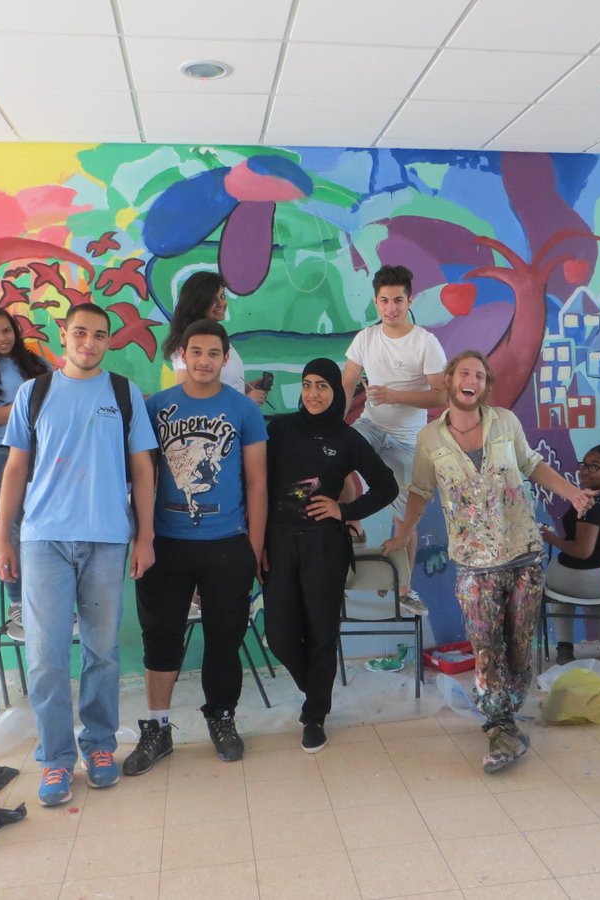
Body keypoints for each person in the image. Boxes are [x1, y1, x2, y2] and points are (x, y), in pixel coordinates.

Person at [384, 350, 594, 773]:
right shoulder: (430, 439)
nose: (472, 380)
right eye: (465, 373)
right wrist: (404, 534)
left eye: (480, 376)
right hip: (473, 560)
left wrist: (572, 492)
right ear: (449, 380)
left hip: (523, 551)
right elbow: (421, 490)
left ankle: (509, 715)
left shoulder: (505, 422)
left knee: (519, 644)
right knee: (486, 646)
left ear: (485, 386)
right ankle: (500, 724)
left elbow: (531, 464)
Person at [0, 303, 157, 807]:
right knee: (46, 658)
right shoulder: (34, 393)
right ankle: (57, 759)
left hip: (107, 539)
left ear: (109, 341)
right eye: (80, 332)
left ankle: (100, 746)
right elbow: (15, 468)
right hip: (44, 540)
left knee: (102, 652)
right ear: (63, 335)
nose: (89, 342)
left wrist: (145, 537)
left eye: (99, 335)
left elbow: (143, 471)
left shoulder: (124, 394)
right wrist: (2, 537)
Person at [127, 319, 267, 774]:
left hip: (226, 545)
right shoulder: (155, 407)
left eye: (213, 353)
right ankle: (158, 727)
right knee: (160, 639)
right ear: (182, 356)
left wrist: (253, 548)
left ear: (225, 359)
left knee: (224, 640)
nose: (204, 361)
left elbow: (257, 482)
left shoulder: (244, 410)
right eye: (196, 352)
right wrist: (142, 537)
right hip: (166, 543)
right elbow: (140, 477)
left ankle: (222, 717)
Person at [263, 358, 398, 753]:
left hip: (325, 545)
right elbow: (255, 482)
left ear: (336, 391)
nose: (313, 393)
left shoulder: (347, 438)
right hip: (278, 542)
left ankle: (315, 715)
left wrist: (345, 511)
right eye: (307, 384)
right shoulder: (279, 430)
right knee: (280, 636)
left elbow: (386, 486)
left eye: (322, 385)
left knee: (322, 633)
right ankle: (316, 689)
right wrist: (256, 543)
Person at [343, 265, 447, 614]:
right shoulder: (365, 338)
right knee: (335, 455)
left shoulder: (425, 342)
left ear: (409, 301)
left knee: (405, 520)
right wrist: (333, 426)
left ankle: (404, 587)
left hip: (407, 440)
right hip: (371, 426)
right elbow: (347, 383)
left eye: (398, 301)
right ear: (376, 302)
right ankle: (353, 525)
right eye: (385, 301)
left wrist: (395, 396)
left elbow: (440, 395)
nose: (391, 308)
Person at [0, 307, 51, 639]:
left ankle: (47, 599)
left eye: (6, 331)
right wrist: (29, 403)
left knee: (45, 524)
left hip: (43, 451)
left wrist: (10, 409)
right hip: (2, 454)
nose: (2, 338)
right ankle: (18, 603)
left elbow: (56, 400)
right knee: (11, 527)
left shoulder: (35, 362)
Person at [541, 443, 600, 666]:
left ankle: (564, 647)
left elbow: (582, 551)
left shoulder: (591, 502)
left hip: (580, 582)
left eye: (594, 467)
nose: (585, 471)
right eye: (584, 465)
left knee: (559, 592)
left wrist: (551, 538)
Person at [162, 271, 270, 405]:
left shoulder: (216, 337)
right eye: (213, 299)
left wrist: (246, 389)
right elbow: (187, 400)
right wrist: (247, 402)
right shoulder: (190, 342)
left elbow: (223, 387)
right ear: (198, 303)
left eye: (222, 296)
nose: (221, 303)